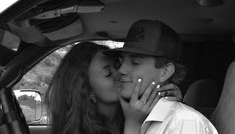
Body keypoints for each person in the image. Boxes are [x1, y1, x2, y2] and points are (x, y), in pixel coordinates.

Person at [104, 19, 218, 134]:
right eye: (122, 60)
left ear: (165, 72)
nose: (121, 69)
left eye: (135, 62)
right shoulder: (126, 114)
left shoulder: (184, 122)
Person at [45, 41, 182, 134]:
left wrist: (172, 104)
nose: (121, 72)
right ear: (86, 90)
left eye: (118, 65)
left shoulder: (139, 110)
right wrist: (132, 126)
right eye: (108, 73)